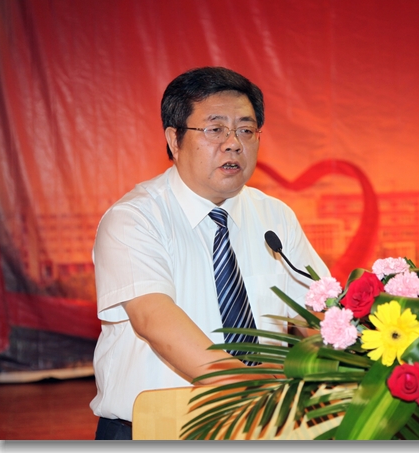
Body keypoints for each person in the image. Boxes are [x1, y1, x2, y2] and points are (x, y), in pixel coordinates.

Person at [90, 66, 329, 440]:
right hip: (157, 429)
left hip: (264, 427)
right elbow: (155, 320)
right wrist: (254, 389)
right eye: (215, 129)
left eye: (246, 130)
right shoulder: (134, 219)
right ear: (174, 139)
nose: (233, 143)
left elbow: (318, 314)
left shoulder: (274, 217)